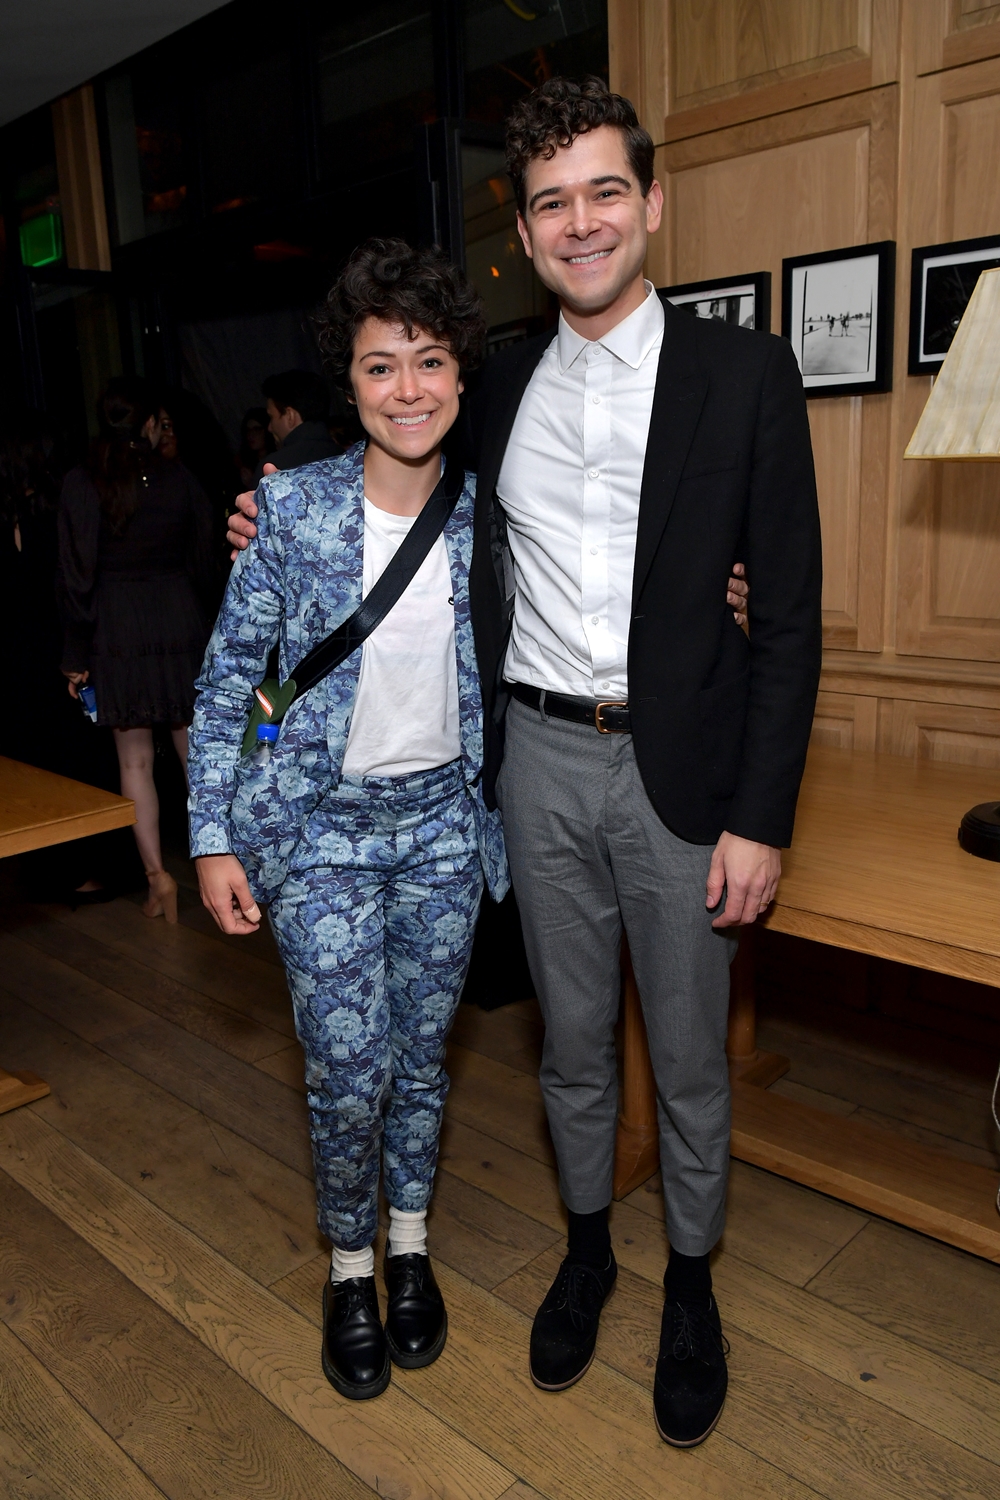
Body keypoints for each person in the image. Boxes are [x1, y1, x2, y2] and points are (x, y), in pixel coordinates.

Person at [227, 77, 816, 1448]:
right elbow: (378, 417)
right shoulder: (494, 381)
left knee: (689, 1060)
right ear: (527, 229)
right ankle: (589, 1250)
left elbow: (788, 620)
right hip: (534, 763)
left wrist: (762, 817)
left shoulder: (744, 376)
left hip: (687, 776)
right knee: (568, 1046)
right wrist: (261, 501)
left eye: (605, 190)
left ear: (651, 201)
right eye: (551, 201)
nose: (581, 221)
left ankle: (691, 1289)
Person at [188, 242, 508, 1402]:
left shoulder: (494, 518)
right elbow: (242, 682)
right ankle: (350, 1266)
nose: (408, 389)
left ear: (460, 373)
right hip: (319, 836)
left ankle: (410, 1245)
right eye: (381, 366)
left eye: (429, 361)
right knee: (346, 1069)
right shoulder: (289, 508)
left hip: (443, 835)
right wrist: (215, 832)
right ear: (351, 383)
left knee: (421, 1059)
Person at [58, 377, 217, 922]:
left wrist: (74, 655)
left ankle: (158, 880)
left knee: (135, 762)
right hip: (179, 621)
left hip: (117, 629)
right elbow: (205, 560)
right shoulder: (179, 478)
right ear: (150, 423)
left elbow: (75, 575)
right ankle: (220, 866)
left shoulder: (83, 482)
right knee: (198, 758)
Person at [257, 369, 340, 478]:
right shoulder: (351, 459)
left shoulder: (271, 468)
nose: (269, 428)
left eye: (271, 417)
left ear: (290, 416)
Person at [238, 406, 274, 487]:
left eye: (257, 430)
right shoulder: (244, 462)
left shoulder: (278, 458)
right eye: (248, 430)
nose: (251, 435)